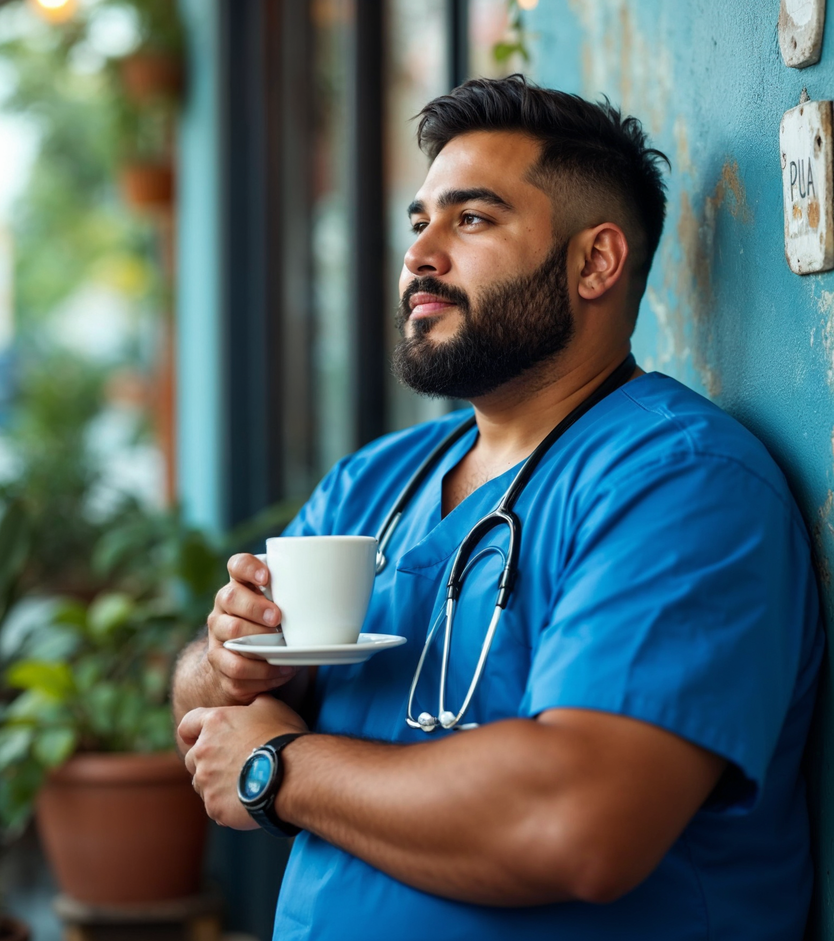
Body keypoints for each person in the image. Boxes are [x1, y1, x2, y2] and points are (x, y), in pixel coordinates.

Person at [172, 75, 822, 940]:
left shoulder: (683, 484)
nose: (420, 256)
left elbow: (578, 821)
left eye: (471, 219)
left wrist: (279, 767)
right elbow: (198, 700)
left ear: (595, 262)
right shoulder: (376, 480)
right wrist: (232, 664)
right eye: (419, 223)